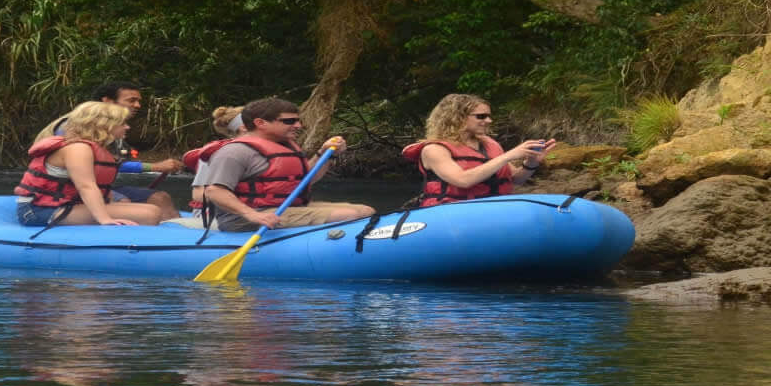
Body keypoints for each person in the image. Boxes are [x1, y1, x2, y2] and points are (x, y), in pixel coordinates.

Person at [197, 97, 375, 231]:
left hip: (286, 208)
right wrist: (252, 214)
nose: (298, 125)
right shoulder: (234, 152)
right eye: (289, 121)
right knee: (350, 215)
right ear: (261, 123)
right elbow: (215, 191)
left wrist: (326, 154)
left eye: (298, 120)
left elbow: (306, 181)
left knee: (366, 210)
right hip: (243, 218)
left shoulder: (283, 146)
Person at [37, 81, 181, 218]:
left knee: (160, 198)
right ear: (108, 101)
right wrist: (155, 166)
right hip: (67, 190)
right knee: (124, 202)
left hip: (98, 186)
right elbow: (84, 177)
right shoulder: (75, 127)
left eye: (138, 101)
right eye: (131, 100)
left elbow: (110, 164)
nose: (137, 105)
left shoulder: (110, 128)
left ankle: (181, 239)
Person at [14, 101, 166, 227]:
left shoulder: (91, 147)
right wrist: (105, 220)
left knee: (153, 210)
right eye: (123, 123)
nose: (127, 127)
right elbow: (86, 186)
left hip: (64, 205)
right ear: (104, 125)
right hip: (38, 211)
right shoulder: (78, 148)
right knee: (148, 215)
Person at [402, 94, 554, 207]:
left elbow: (516, 179)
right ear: (457, 117)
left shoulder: (490, 144)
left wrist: (532, 162)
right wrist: (508, 156)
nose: (488, 121)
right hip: (450, 212)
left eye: (488, 116)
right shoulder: (434, 150)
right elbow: (462, 180)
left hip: (492, 208)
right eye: (481, 116)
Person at [184, 105, 245, 212]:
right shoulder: (217, 152)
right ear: (244, 127)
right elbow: (198, 195)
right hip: (211, 213)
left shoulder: (273, 150)